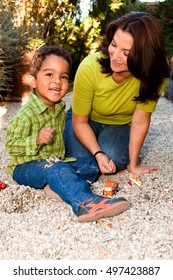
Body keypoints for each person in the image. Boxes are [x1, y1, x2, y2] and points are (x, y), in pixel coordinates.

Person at [5, 45, 129, 223]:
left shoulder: (60, 108)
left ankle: (58, 186)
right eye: (49, 75)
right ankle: (85, 203)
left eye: (63, 77)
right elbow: (11, 145)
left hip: (55, 162)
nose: (57, 81)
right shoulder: (27, 114)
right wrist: (36, 140)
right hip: (25, 167)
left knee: (89, 164)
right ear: (33, 81)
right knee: (57, 168)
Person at [64, 12, 169, 176]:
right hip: (85, 121)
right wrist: (98, 154)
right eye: (114, 44)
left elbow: (140, 121)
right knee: (85, 164)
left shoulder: (155, 77)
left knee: (114, 158)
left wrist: (133, 166)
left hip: (119, 126)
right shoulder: (89, 67)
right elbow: (80, 121)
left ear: (145, 56)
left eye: (126, 53)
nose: (115, 55)